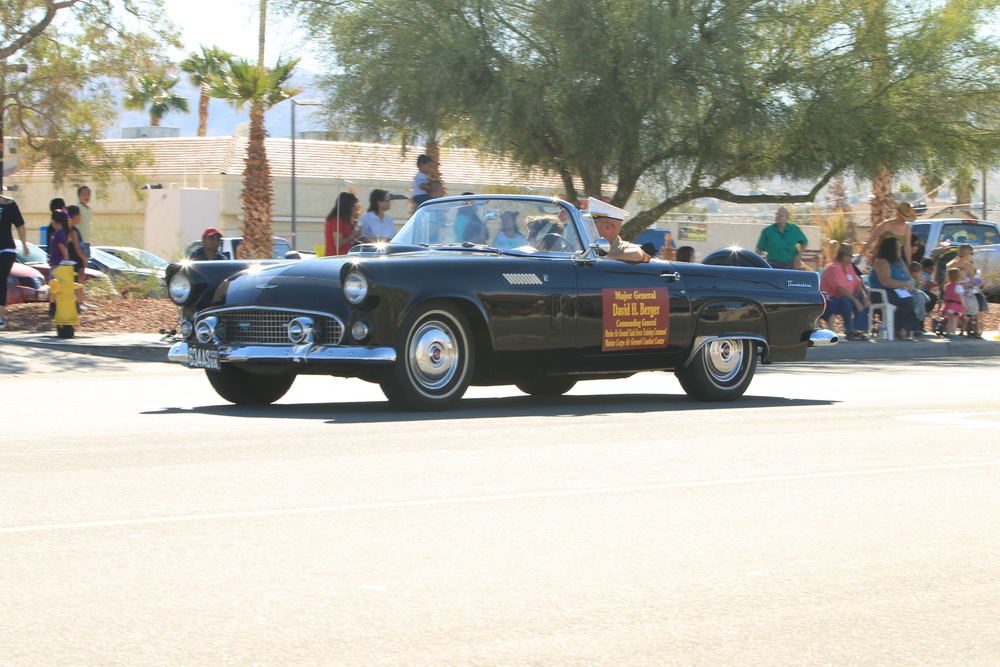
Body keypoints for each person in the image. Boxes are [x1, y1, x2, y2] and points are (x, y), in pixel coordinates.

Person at [869, 235, 922, 340]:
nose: (900, 249)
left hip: (898, 290)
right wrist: (904, 284)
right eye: (898, 247)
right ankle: (896, 327)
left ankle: (909, 328)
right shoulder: (882, 262)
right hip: (882, 292)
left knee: (918, 298)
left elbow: (908, 276)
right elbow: (886, 282)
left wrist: (909, 285)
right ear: (891, 249)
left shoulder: (900, 262)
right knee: (907, 301)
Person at [820, 245, 870, 340]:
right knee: (846, 301)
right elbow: (839, 288)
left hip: (847, 296)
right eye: (850, 255)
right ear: (843, 256)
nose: (852, 258)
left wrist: (864, 297)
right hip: (831, 299)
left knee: (862, 299)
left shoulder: (849, 266)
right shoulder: (832, 268)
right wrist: (855, 301)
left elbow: (857, 283)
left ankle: (858, 329)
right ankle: (850, 331)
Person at [0, 195, 30, 330]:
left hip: (6, 249)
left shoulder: (9, 204)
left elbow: (20, 224)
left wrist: (24, 245)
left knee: (1, 278)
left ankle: (1, 316)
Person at [588, 197, 649, 263]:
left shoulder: (622, 248)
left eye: (592, 222)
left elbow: (636, 254)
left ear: (607, 227)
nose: (588, 226)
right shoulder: (587, 244)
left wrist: (603, 259)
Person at [862, 201, 917, 268]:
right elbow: (872, 239)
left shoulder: (906, 228)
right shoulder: (886, 225)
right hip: (882, 258)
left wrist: (909, 264)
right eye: (902, 218)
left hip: (898, 260)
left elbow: (907, 247)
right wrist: (860, 255)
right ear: (898, 214)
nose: (903, 221)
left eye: (905, 219)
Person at [947, 243, 982, 338]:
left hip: (967, 292)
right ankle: (966, 328)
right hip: (955, 292)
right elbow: (948, 281)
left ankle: (976, 330)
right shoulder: (952, 265)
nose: (972, 256)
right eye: (972, 253)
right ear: (967, 254)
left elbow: (972, 281)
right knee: (972, 304)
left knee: (979, 302)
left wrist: (975, 283)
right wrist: (960, 285)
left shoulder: (970, 267)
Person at [66, 205, 89, 306]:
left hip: (77, 258)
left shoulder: (74, 230)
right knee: (79, 279)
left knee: (80, 278)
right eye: (79, 215)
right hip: (76, 258)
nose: (80, 217)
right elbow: (76, 247)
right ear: (75, 216)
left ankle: (79, 300)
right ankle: (78, 301)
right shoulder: (73, 231)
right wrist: (83, 258)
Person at [325, 192, 361, 256]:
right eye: (353, 206)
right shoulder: (336, 221)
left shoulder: (346, 221)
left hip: (346, 255)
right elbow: (338, 243)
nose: (355, 208)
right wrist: (352, 235)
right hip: (335, 256)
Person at [940, 267, 968, 338]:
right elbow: (961, 298)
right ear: (958, 277)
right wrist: (964, 305)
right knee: (954, 321)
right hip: (956, 306)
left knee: (949, 320)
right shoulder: (958, 287)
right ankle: (953, 333)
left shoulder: (946, 286)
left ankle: (948, 332)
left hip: (948, 305)